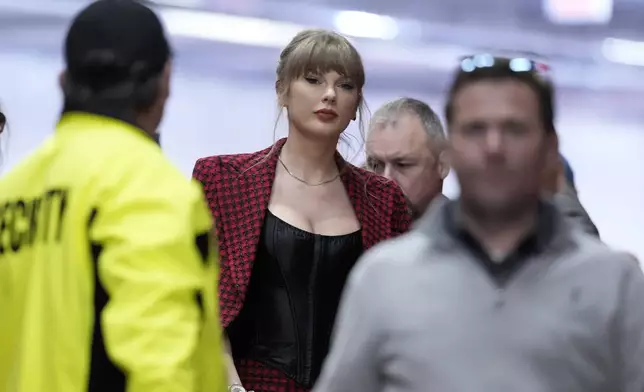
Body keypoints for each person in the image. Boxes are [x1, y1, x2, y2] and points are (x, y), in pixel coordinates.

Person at [314, 55, 644, 392]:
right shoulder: (382, 278)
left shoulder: (614, 283)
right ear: (452, 149)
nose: (494, 147)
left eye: (515, 129)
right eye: (475, 130)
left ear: (550, 148)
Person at [0, 1, 226, 391]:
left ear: (64, 81)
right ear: (164, 81)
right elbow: (161, 368)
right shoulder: (150, 188)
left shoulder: (14, 190)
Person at [192, 29, 411, 392]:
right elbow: (198, 304)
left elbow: (399, 320)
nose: (329, 94)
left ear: (356, 104)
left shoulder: (383, 198)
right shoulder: (222, 180)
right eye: (313, 80)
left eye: (345, 85)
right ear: (282, 90)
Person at [365, 97, 449, 220]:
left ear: (442, 165)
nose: (386, 180)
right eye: (375, 165)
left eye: (403, 165)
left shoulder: (475, 236)